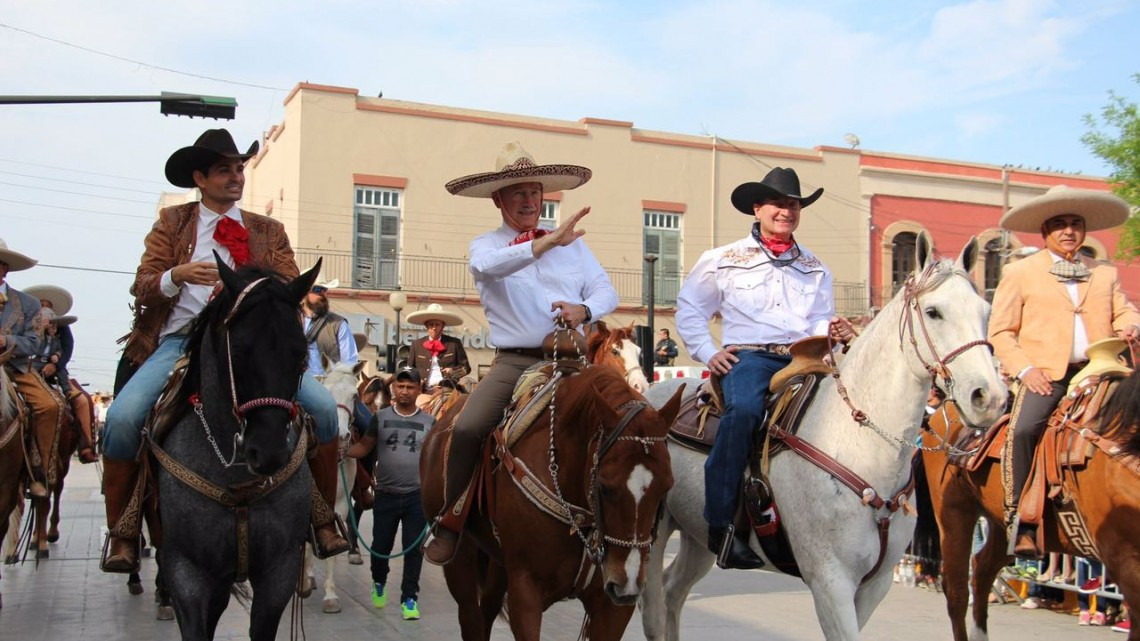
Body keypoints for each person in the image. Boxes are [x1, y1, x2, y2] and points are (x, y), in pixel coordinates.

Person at [102, 128, 348, 573]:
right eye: (224, 170)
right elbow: (143, 285)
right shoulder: (172, 222)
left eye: (239, 169)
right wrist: (177, 275)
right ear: (200, 178)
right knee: (122, 418)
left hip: (247, 345)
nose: (236, 177)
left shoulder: (268, 229)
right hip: (180, 342)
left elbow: (287, 284)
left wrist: (245, 291)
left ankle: (322, 517)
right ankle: (122, 530)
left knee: (326, 410)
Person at [422, 141, 617, 565]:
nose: (529, 201)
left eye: (534, 192)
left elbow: (606, 290)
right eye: (518, 194)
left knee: (627, 422)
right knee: (469, 427)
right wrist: (546, 244)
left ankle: (624, 529)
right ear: (498, 200)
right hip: (517, 362)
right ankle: (451, 520)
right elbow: (487, 268)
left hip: (574, 361)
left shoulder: (574, 245)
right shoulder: (486, 245)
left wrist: (584, 309)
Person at [674, 166, 855, 569]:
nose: (786, 211)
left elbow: (817, 320)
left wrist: (833, 330)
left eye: (793, 205)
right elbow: (689, 308)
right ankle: (722, 527)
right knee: (744, 413)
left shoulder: (815, 267)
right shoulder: (722, 260)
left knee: (843, 410)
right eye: (777, 203)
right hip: (750, 357)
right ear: (757, 208)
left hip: (805, 358)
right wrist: (708, 351)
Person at [988, 185, 1140, 557]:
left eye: (1076, 223)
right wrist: (1025, 370)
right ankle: (1020, 519)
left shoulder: (1103, 272)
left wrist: (1132, 323)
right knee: (1024, 430)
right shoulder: (1019, 272)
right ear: (1045, 231)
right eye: (1060, 224)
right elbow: (1000, 332)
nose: (1069, 230)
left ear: (1084, 230)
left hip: (1101, 370)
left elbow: (1124, 310)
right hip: (1046, 375)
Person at [346, 367, 432, 621]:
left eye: (410, 387)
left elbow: (436, 457)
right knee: (380, 547)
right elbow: (365, 446)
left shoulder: (430, 422)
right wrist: (343, 452)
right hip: (385, 494)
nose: (404, 391)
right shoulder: (380, 417)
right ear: (394, 388)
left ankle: (409, 598)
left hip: (416, 496)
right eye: (400, 386)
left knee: (413, 550)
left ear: (418, 389)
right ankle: (378, 581)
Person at [0, 238, 66, 499]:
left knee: (51, 406)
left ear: (4, 268)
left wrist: (6, 341)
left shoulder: (28, 304)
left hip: (14, 368)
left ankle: (39, 471)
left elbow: (34, 342)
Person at [25, 284, 98, 463]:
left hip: (55, 371)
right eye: (41, 304)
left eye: (47, 305)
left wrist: (56, 365)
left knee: (82, 401)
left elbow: (67, 347)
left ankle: (86, 446)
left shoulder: (61, 326)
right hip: (27, 370)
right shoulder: (25, 324)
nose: (44, 307)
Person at [405, 303, 470, 390]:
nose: (434, 328)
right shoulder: (416, 345)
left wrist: (453, 371)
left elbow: (466, 368)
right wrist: (417, 380)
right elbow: (409, 369)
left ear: (443, 326)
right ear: (426, 326)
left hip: (447, 389)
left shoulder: (454, 343)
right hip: (422, 389)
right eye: (431, 325)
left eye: (437, 324)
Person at [302, 278, 359, 377]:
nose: (323, 294)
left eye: (325, 290)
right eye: (317, 289)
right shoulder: (290, 319)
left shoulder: (338, 324)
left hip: (326, 382)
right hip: (294, 381)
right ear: (305, 292)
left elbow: (349, 362)